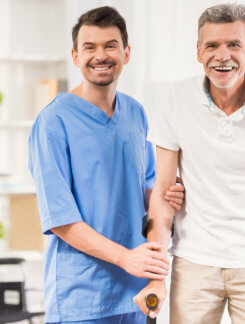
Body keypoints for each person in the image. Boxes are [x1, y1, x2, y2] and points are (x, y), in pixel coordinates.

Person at [134, 3, 245, 324]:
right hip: (193, 262)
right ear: (198, 51)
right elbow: (162, 195)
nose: (222, 55)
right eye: (212, 45)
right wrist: (156, 279)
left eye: (234, 44)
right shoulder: (175, 98)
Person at [28, 6, 184, 324]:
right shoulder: (52, 123)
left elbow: (146, 189)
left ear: (126, 53)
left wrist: (169, 196)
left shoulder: (136, 114)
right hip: (81, 297)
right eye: (90, 47)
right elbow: (60, 219)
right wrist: (126, 258)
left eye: (110, 45)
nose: (101, 55)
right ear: (75, 56)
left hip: (137, 292)